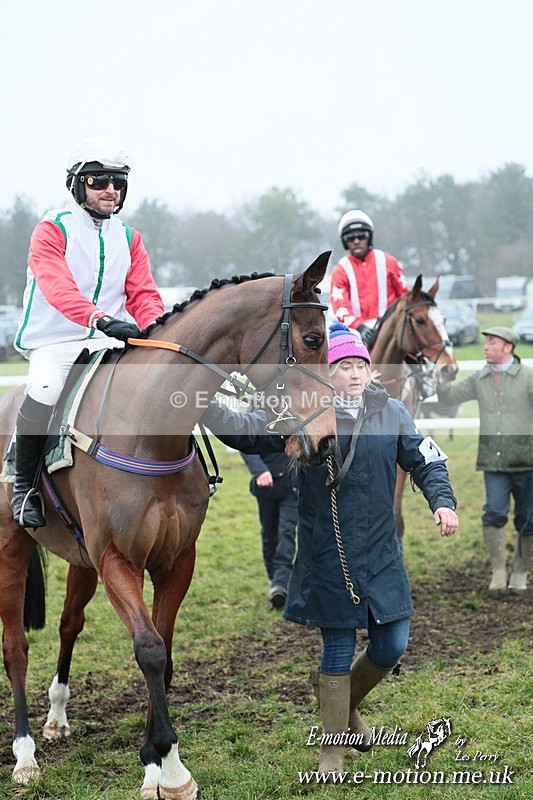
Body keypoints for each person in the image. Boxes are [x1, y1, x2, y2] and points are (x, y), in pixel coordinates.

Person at [200, 323, 458, 777]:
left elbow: (425, 458)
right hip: (329, 552)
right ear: (326, 371)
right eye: (344, 366)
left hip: (382, 551)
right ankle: (332, 751)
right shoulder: (302, 413)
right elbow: (245, 432)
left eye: (361, 365)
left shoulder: (392, 411)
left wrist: (442, 502)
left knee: (392, 644)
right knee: (337, 651)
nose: (355, 374)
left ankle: (338, 702)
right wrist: (204, 398)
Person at [11, 137, 165, 529]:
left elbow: (143, 293)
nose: (110, 189)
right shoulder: (51, 229)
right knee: (44, 390)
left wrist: (156, 329)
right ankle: (24, 486)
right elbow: (57, 287)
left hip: (106, 338)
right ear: (77, 185)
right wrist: (97, 318)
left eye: (117, 182)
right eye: (98, 181)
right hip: (55, 340)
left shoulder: (130, 237)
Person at [437, 326, 533, 592]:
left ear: (508, 348)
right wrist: (440, 378)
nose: (486, 346)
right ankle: (498, 571)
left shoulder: (527, 376)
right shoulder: (480, 378)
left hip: (527, 461)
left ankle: (521, 571)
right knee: (493, 513)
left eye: (492, 342)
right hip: (494, 462)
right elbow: (450, 397)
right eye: (487, 342)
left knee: (528, 517)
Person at [329, 209, 408, 344]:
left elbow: (405, 297)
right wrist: (360, 326)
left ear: (369, 237)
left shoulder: (389, 262)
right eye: (350, 238)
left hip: (391, 329)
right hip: (357, 332)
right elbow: (341, 307)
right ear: (344, 241)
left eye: (361, 236)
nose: (356, 241)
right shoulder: (340, 270)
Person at [240, 443, 298, 610]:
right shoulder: (257, 416)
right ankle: (274, 580)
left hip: (293, 487)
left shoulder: (298, 415)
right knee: (269, 535)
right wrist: (260, 471)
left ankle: (281, 583)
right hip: (267, 487)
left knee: (286, 533)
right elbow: (245, 443)